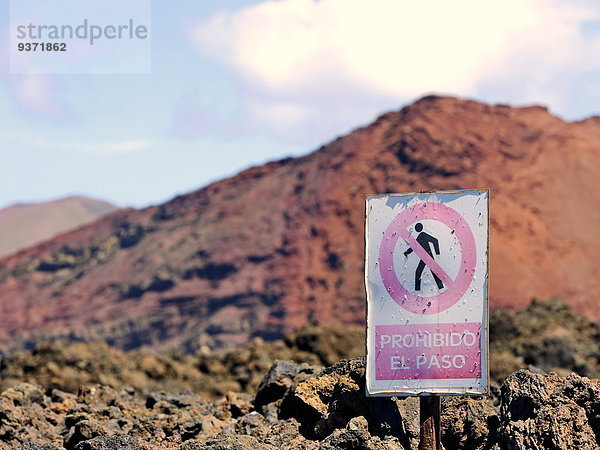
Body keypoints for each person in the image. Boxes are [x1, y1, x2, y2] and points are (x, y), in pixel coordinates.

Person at [403, 223, 444, 291]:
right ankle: (440, 287)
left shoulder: (422, 235)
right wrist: (407, 252)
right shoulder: (420, 236)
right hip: (425, 257)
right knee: (420, 272)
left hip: (428, 257)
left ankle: (417, 289)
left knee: (419, 272)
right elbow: (414, 246)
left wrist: (437, 253)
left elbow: (435, 240)